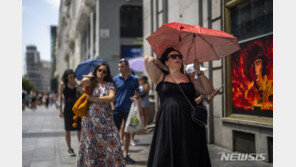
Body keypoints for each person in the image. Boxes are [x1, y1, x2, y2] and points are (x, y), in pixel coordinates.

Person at [145, 47, 214, 167]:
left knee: (189, 152)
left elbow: (208, 90)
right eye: (173, 56)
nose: (178, 58)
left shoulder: (189, 76)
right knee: (165, 151)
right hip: (167, 122)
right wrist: (165, 68)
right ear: (166, 61)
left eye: (180, 57)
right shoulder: (160, 77)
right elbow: (147, 59)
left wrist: (200, 73)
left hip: (190, 122)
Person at [76, 63, 125, 167]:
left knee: (114, 142)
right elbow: (82, 85)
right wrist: (87, 77)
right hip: (91, 119)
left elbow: (111, 97)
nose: (101, 73)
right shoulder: (91, 83)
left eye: (104, 71)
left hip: (106, 119)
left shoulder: (109, 84)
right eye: (99, 70)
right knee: (92, 145)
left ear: (107, 74)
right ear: (96, 71)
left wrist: (95, 99)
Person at [112, 58, 139, 164]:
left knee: (127, 132)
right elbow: (111, 94)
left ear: (127, 67)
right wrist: (112, 107)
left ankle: (125, 154)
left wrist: (136, 96)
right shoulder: (115, 79)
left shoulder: (134, 79)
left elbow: (137, 92)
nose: (120, 68)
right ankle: (116, 153)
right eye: (119, 66)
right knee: (115, 132)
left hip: (129, 109)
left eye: (122, 66)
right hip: (117, 109)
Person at [58, 69, 81, 156]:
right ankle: (69, 149)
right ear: (67, 76)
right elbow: (59, 98)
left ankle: (82, 147)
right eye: (70, 76)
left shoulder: (76, 84)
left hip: (76, 109)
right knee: (67, 129)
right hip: (67, 109)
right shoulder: (62, 84)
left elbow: (82, 93)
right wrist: (60, 110)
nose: (72, 78)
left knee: (79, 128)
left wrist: (77, 85)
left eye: (73, 76)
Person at [245, 44, 273, 109]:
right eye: (252, 65)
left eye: (258, 63)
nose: (255, 69)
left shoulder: (271, 87)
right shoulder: (249, 93)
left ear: (262, 65)